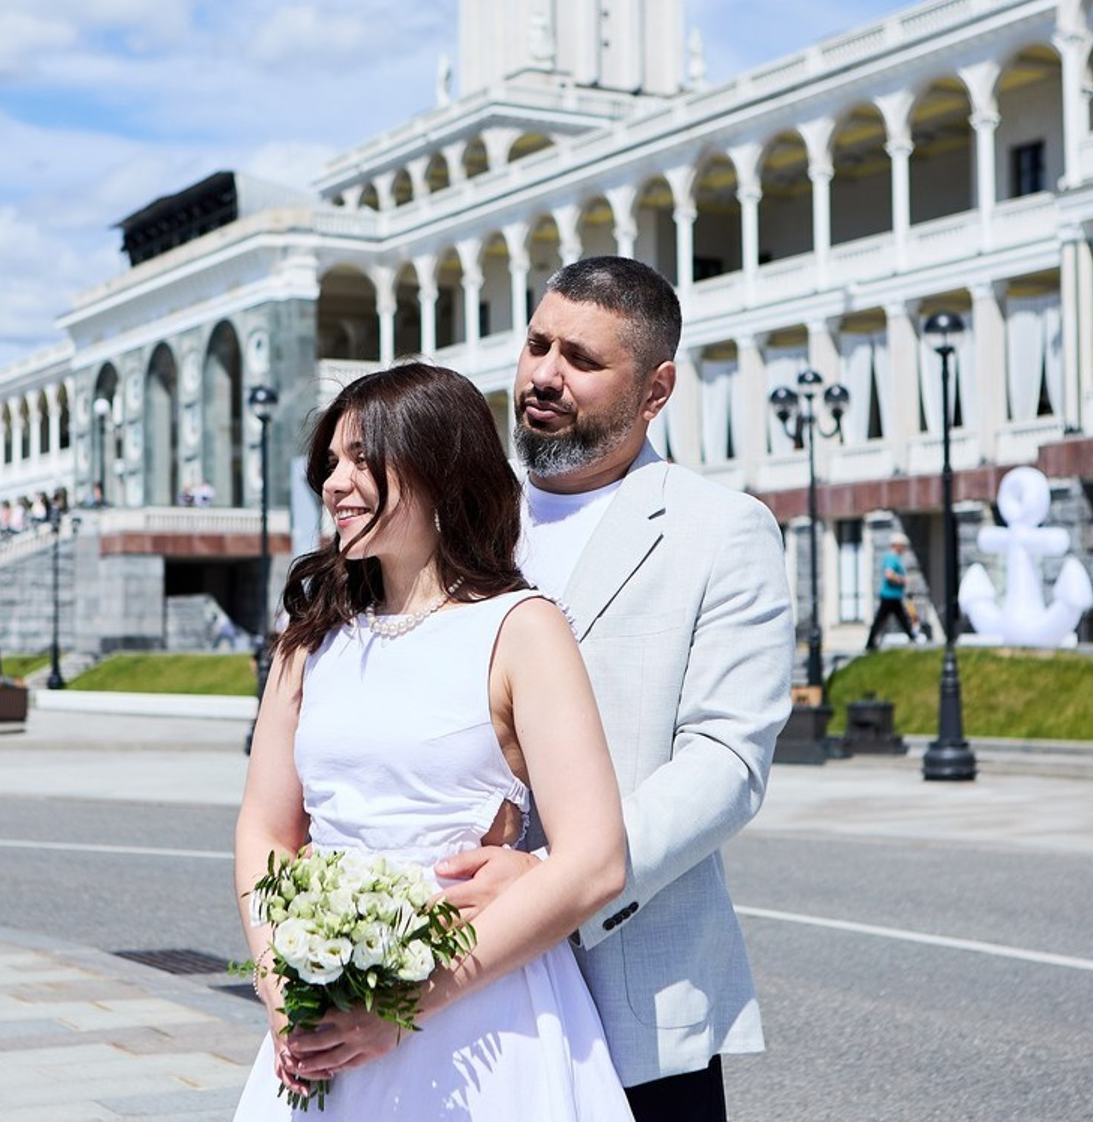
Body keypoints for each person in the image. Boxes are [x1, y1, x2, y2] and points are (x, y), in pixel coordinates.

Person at [436, 256, 794, 1122]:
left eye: (583, 361)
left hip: (629, 999)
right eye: (536, 345)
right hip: (454, 989)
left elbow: (724, 764)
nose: (543, 376)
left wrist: (554, 880)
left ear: (655, 389)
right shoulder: (462, 526)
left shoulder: (722, 531)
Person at [232, 363, 633, 1120]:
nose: (334, 484)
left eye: (361, 459)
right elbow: (264, 828)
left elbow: (594, 860)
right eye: (331, 462)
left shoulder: (521, 630)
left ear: (437, 470)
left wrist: (403, 1004)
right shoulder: (309, 639)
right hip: (322, 1018)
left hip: (482, 1012)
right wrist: (279, 987)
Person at [866, 533, 916, 651]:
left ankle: (912, 636)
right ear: (896, 545)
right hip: (889, 595)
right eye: (902, 546)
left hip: (894, 595)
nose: (904, 549)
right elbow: (889, 574)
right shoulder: (891, 557)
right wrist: (902, 580)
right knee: (882, 619)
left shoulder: (895, 558)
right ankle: (870, 643)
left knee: (901, 617)